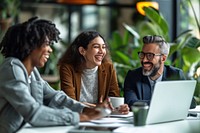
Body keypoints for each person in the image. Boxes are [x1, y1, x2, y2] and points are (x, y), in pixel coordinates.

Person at [0, 17, 109, 133]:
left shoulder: (32, 72)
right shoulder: (12, 68)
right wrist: (83, 117)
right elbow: (33, 112)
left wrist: (88, 110)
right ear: (31, 45)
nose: (50, 50)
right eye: (46, 44)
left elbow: (56, 98)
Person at [58, 30, 129, 114]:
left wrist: (120, 108)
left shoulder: (108, 67)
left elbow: (114, 99)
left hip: (101, 118)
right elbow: (70, 103)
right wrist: (99, 107)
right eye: (96, 47)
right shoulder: (67, 68)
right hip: (78, 117)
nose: (102, 51)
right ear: (82, 51)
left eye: (103, 47)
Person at [124, 35, 196, 109]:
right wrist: (170, 102)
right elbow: (131, 102)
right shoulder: (133, 76)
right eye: (142, 54)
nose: (144, 60)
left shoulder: (175, 74)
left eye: (150, 55)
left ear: (163, 58)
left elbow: (190, 103)